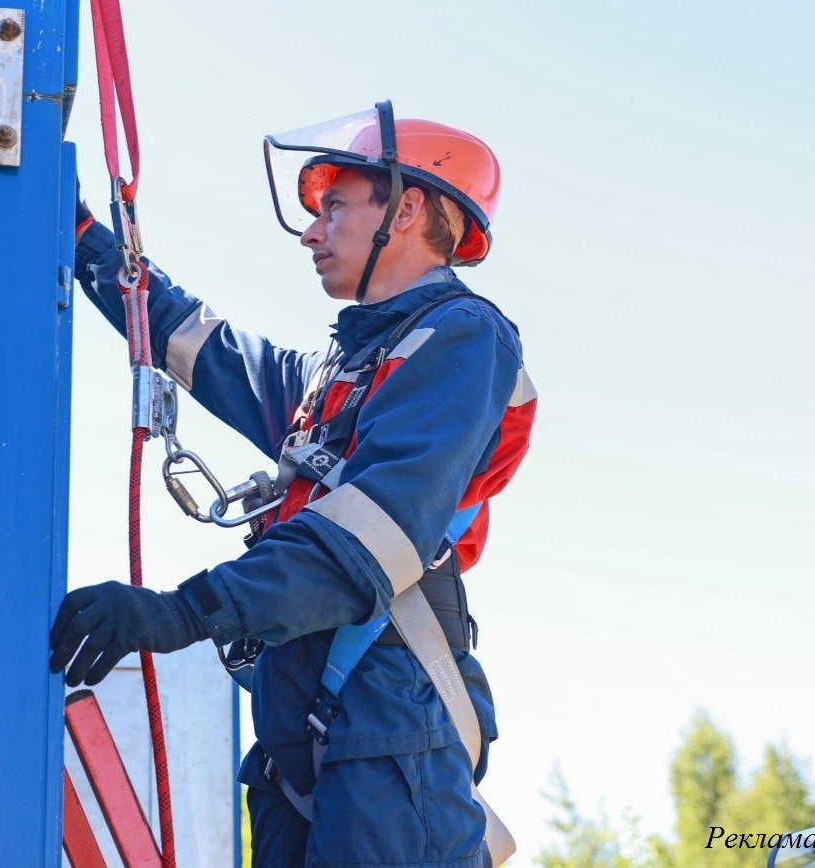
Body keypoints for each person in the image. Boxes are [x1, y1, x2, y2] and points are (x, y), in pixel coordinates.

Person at [50, 102, 536, 867]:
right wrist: (83, 239)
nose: (312, 231)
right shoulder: (340, 376)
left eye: (335, 204)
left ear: (406, 208)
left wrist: (184, 612)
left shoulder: (464, 340)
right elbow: (203, 346)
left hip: (389, 737)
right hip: (307, 744)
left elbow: (370, 538)